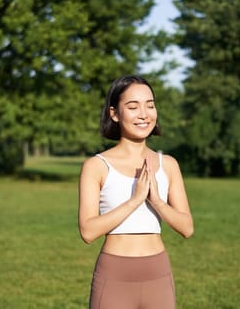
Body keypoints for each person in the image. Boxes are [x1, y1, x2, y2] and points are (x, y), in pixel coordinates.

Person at [78, 75, 194, 309]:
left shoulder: (168, 164)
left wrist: (158, 202)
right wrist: (135, 200)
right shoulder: (97, 166)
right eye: (133, 107)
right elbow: (88, 231)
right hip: (114, 275)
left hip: (158, 273)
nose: (144, 114)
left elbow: (187, 228)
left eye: (150, 105)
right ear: (114, 113)